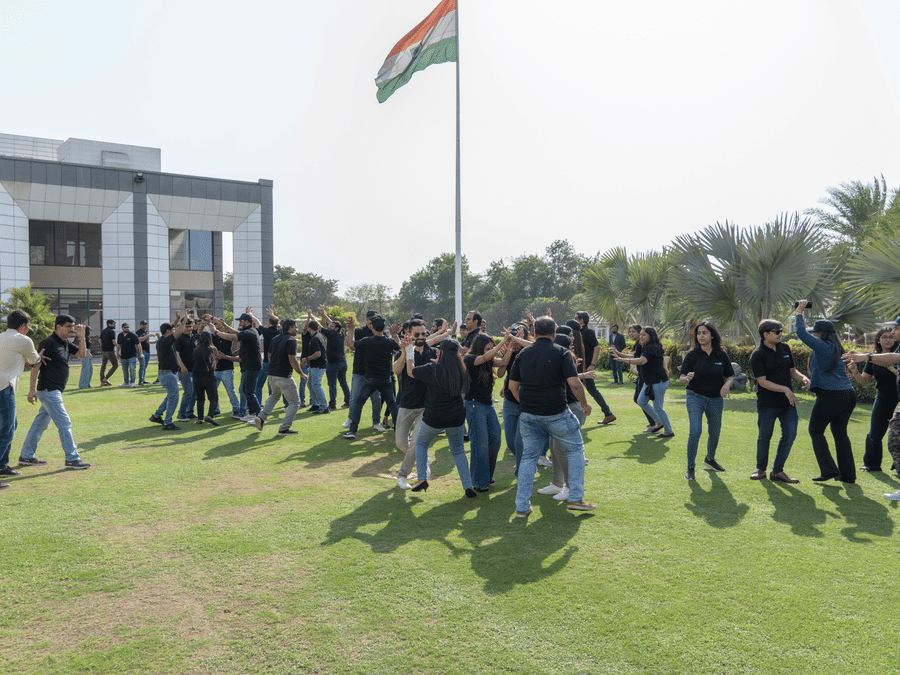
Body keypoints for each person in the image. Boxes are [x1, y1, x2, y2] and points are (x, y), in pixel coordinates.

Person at [509, 315, 596, 517]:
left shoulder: (524, 353)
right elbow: (574, 383)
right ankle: (575, 497)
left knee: (528, 458)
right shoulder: (562, 352)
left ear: (535, 333)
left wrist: (526, 403)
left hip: (529, 415)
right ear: (555, 333)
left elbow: (513, 387)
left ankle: (521, 507)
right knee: (575, 450)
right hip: (556, 412)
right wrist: (584, 404)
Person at [794, 300, 857, 483]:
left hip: (832, 396)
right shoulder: (835, 347)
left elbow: (800, 332)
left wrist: (799, 311)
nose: (812, 334)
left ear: (819, 334)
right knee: (840, 434)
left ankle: (829, 471)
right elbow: (824, 371)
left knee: (815, 430)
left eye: (814, 332)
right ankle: (848, 476)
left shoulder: (823, 346)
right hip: (848, 395)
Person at [19, 314, 91, 470]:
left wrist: (82, 337)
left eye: (73, 327)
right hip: (48, 389)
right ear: (59, 327)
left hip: (54, 390)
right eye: (69, 327)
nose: (72, 329)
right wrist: (31, 390)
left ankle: (26, 456)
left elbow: (82, 354)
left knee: (39, 425)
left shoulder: (64, 342)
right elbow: (35, 366)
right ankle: (72, 459)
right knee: (65, 423)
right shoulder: (49, 342)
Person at [407, 338, 476, 497]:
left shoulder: (434, 368)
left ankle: (422, 478)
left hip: (434, 417)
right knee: (459, 451)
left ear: (442, 352)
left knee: (421, 444)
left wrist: (409, 351)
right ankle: (468, 486)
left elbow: (411, 371)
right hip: (456, 417)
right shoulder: (462, 369)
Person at [749, 319, 810, 483]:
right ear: (765, 334)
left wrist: (803, 378)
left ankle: (777, 471)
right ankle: (760, 469)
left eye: (781, 331)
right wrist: (785, 389)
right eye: (777, 332)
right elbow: (762, 381)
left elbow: (792, 371)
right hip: (767, 404)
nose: (780, 334)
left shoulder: (785, 348)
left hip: (787, 405)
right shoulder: (758, 355)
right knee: (764, 437)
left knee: (790, 435)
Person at [678, 321, 734, 480]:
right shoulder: (692, 355)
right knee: (695, 431)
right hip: (695, 396)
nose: (700, 336)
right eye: (698, 333)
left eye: (704, 333)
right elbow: (681, 376)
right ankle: (690, 467)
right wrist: (686, 378)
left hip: (716, 399)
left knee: (715, 432)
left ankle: (710, 459)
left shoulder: (721, 355)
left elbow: (730, 375)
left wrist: (727, 385)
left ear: (712, 335)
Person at [0, 310, 44, 487]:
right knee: (7, 431)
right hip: (4, 388)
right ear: (23, 326)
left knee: (10, 426)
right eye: (28, 326)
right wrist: (40, 355)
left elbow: (13, 359)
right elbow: (35, 360)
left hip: (2, 386)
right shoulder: (23, 340)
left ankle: (2, 466)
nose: (28, 329)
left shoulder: (2, 337)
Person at [392, 319, 436, 489]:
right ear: (409, 335)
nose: (421, 337)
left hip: (425, 406)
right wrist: (404, 351)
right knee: (401, 444)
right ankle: (423, 457)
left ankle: (402, 475)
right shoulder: (403, 352)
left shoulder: (432, 353)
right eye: (417, 334)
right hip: (406, 404)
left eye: (424, 334)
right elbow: (396, 370)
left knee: (417, 441)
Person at [848, 328, 898, 473]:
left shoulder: (897, 356)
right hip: (882, 399)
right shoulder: (873, 358)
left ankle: (897, 465)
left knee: (898, 436)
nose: (888, 340)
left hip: (899, 400)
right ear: (878, 340)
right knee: (874, 435)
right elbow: (864, 381)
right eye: (884, 337)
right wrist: (855, 372)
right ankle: (871, 465)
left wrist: (893, 369)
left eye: (891, 337)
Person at [343, 316, 400, 439]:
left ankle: (352, 430)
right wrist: (395, 333)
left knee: (359, 403)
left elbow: (351, 344)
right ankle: (399, 431)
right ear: (383, 328)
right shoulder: (389, 342)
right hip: (386, 380)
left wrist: (351, 329)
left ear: (372, 327)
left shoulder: (367, 341)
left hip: (370, 380)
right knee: (392, 404)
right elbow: (400, 347)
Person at [465, 332, 506, 491]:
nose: (491, 351)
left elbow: (503, 361)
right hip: (474, 405)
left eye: (491, 348)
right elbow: (483, 358)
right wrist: (502, 342)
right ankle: (479, 482)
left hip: (488, 405)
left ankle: (486, 474)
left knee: (495, 439)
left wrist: (509, 348)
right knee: (480, 444)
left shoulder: (489, 360)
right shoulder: (469, 358)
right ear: (480, 347)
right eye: (488, 348)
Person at [614, 326, 673, 437]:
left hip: (658, 381)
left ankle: (668, 430)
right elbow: (636, 356)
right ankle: (659, 422)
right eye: (640, 334)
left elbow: (642, 361)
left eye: (643, 335)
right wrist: (619, 354)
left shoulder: (652, 347)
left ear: (651, 337)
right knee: (641, 401)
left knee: (658, 407)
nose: (641, 337)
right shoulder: (645, 346)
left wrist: (622, 360)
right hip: (649, 381)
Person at [255, 318, 307, 435]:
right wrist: (301, 373)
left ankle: (261, 417)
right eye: (295, 327)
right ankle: (284, 428)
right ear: (289, 328)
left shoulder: (275, 339)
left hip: (272, 375)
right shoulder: (291, 340)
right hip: (284, 376)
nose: (297, 329)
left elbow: (269, 355)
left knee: (274, 395)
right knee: (295, 402)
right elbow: (292, 360)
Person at [210, 311, 262, 422]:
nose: (239, 323)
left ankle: (259, 416)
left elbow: (233, 337)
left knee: (250, 391)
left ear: (247, 322)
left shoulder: (250, 332)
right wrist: (222, 324)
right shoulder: (248, 332)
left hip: (252, 366)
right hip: (249, 366)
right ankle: (252, 413)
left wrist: (217, 332)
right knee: (245, 389)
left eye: (241, 321)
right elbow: (233, 331)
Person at [343, 310, 384, 431]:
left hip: (375, 372)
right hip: (359, 371)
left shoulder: (380, 331)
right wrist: (350, 330)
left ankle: (376, 422)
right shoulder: (360, 331)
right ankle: (350, 419)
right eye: (370, 319)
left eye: (375, 319)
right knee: (354, 397)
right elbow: (350, 345)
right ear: (366, 318)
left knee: (376, 399)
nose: (372, 321)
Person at [574, 311, 616, 424]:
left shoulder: (587, 332)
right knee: (587, 390)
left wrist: (592, 365)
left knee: (589, 390)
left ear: (582, 320)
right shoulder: (577, 332)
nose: (575, 319)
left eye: (576, 318)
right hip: (579, 368)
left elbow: (596, 348)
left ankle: (608, 413)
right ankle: (608, 413)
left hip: (586, 368)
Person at [149, 312, 189, 430]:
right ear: (168, 331)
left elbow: (173, 330)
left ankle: (156, 416)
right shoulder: (165, 341)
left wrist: (176, 320)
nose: (174, 330)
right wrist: (184, 320)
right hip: (167, 374)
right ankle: (167, 423)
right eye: (172, 329)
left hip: (165, 374)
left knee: (170, 396)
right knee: (174, 397)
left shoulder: (163, 340)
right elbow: (177, 333)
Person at [318, 307, 351, 410]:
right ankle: (348, 401)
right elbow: (330, 322)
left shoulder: (331, 334)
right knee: (343, 382)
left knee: (332, 384)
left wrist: (312, 317)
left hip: (333, 363)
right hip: (343, 362)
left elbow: (319, 327)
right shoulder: (340, 333)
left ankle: (332, 404)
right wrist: (323, 315)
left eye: (331, 326)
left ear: (336, 328)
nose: (329, 326)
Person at [192, 329, 221, 426]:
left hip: (196, 376)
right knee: (214, 398)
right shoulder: (212, 349)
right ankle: (209, 416)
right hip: (208, 376)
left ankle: (200, 419)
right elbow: (214, 363)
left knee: (200, 398)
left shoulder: (196, 349)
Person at [302, 310, 329, 414]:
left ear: (310, 329)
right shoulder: (318, 336)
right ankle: (316, 404)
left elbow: (318, 354)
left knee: (316, 385)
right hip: (316, 365)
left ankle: (324, 407)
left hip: (318, 365)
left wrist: (307, 359)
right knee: (310, 384)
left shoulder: (315, 339)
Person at [255, 306, 281, 406]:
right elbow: (278, 324)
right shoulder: (280, 331)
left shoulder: (266, 332)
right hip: (278, 361)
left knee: (259, 384)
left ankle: (259, 404)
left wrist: (251, 314)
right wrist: (272, 315)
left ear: (269, 324)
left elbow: (258, 323)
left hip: (267, 361)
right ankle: (284, 404)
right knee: (278, 384)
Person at [116, 322, 142, 387]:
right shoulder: (120, 335)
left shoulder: (133, 335)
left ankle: (132, 382)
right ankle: (126, 382)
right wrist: (117, 353)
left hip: (132, 356)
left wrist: (141, 353)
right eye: (125, 327)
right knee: (125, 370)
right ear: (122, 328)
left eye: (128, 327)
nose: (127, 328)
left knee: (132, 368)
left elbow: (138, 345)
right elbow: (118, 345)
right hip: (123, 356)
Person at [135, 321, 155, 386]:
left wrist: (155, 341)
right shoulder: (138, 332)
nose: (145, 325)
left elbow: (147, 341)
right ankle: (140, 381)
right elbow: (139, 340)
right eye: (143, 324)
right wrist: (148, 335)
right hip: (142, 351)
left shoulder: (146, 332)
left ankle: (143, 380)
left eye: (146, 324)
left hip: (147, 351)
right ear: (140, 325)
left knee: (145, 366)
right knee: (142, 366)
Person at [99, 318, 118, 386]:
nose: (114, 325)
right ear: (109, 324)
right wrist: (119, 345)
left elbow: (99, 341)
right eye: (113, 324)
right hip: (110, 351)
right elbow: (114, 342)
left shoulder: (103, 331)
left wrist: (103, 347)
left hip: (104, 351)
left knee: (103, 366)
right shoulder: (112, 331)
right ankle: (106, 378)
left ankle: (102, 382)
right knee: (115, 365)